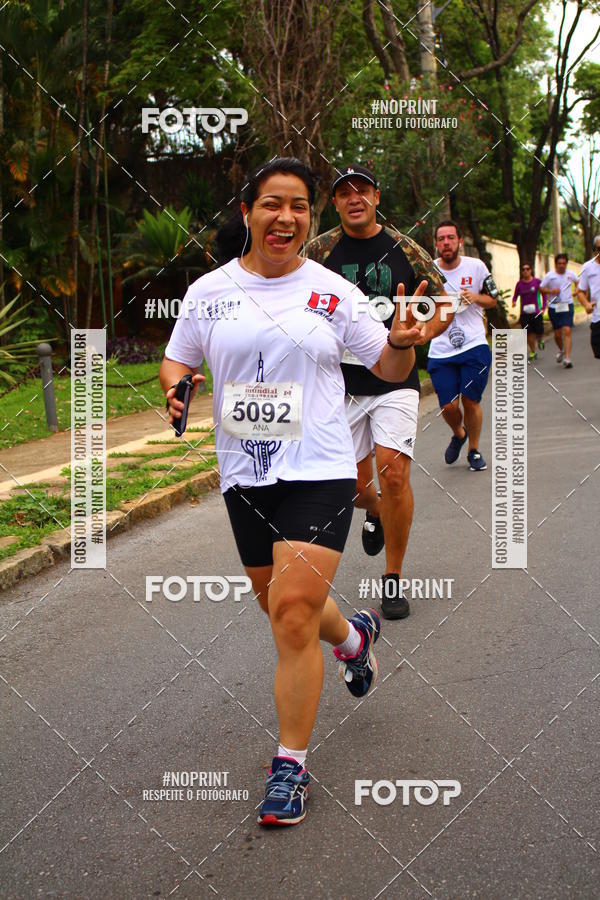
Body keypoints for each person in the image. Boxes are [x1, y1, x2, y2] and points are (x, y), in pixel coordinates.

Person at [159, 158, 425, 827]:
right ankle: (355, 640)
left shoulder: (333, 292)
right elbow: (179, 354)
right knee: (285, 612)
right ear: (248, 211)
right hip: (245, 474)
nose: (287, 218)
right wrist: (175, 384)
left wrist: (401, 343)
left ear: (311, 217)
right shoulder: (209, 292)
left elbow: (388, 364)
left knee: (294, 615)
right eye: (273, 204)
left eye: (301, 206)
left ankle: (291, 768)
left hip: (321, 467)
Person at [305, 164, 448, 621]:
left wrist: (420, 332)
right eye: (344, 192)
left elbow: (443, 302)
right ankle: (375, 514)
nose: (354, 198)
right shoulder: (319, 250)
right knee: (350, 486)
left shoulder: (404, 247)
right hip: (338, 383)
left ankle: (392, 578)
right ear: (336, 202)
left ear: (376, 197)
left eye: (362, 190)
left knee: (393, 474)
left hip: (394, 377)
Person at [427, 220, 498, 472]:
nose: (446, 242)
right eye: (441, 238)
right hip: (441, 347)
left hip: (473, 345)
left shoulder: (476, 266)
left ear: (459, 241)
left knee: (470, 400)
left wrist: (475, 297)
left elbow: (493, 299)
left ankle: (474, 450)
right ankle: (459, 433)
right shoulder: (429, 270)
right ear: (436, 244)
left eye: (450, 237)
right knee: (448, 406)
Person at [540, 253, 579, 368]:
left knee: (567, 330)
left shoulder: (570, 274)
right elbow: (541, 288)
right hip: (554, 307)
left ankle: (567, 358)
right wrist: (551, 292)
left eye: (563, 263)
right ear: (556, 264)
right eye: (559, 263)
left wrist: (576, 290)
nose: (561, 265)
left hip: (567, 305)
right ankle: (561, 349)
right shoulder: (550, 275)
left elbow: (578, 282)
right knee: (557, 334)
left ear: (566, 264)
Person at [512, 263, 545, 360]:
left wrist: (543, 307)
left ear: (531, 270)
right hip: (524, 313)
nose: (525, 271)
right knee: (528, 331)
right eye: (523, 269)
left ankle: (540, 339)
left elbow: (544, 295)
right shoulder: (519, 284)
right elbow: (515, 295)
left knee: (539, 330)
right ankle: (533, 351)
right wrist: (514, 301)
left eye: (527, 269)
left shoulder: (537, 282)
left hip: (536, 312)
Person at [577, 235, 600, 360]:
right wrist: (586, 304)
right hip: (598, 319)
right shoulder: (588, 267)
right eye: (599, 248)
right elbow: (580, 291)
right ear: (594, 249)